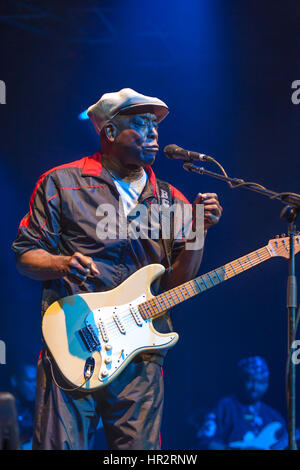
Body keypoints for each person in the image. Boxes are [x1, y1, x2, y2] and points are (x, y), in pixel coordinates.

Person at [12, 88, 222, 450]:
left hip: (141, 354)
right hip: (73, 346)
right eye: (140, 124)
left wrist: (198, 232)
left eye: (155, 125)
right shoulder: (62, 184)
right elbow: (25, 255)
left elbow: (175, 286)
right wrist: (62, 263)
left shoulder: (170, 199)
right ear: (109, 132)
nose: (153, 132)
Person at [196, 356, 287, 450]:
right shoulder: (225, 407)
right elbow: (205, 442)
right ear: (241, 380)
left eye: (260, 382)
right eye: (249, 380)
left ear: (267, 385)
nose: (254, 387)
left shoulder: (273, 417)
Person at [9, 362, 37, 450]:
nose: (35, 385)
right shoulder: (6, 408)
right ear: (15, 380)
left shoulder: (39, 406)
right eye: (30, 380)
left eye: (36, 380)